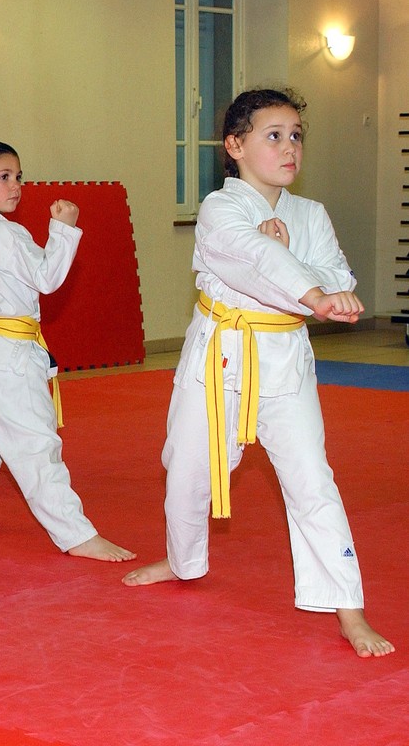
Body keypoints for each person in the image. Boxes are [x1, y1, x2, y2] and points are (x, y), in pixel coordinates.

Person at [122, 88, 394, 658]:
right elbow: (255, 259)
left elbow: (337, 274)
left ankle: (348, 606)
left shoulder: (309, 213)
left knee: (313, 480)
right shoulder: (223, 209)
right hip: (219, 354)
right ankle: (182, 558)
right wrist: (312, 287)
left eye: (296, 135)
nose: (289, 147)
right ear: (235, 145)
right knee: (186, 467)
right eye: (274, 135)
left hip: (284, 361)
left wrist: (306, 270)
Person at [0, 140, 134, 562]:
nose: (16, 185)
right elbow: (48, 277)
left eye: (18, 176)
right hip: (9, 356)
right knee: (35, 444)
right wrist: (65, 229)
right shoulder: (4, 232)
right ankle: (76, 535)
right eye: (4, 177)